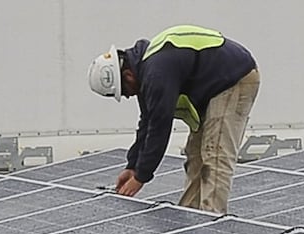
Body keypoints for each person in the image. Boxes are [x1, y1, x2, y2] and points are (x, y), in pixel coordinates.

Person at [87, 26, 259, 214]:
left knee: (215, 155)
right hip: (214, 89)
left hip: (235, 79)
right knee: (195, 156)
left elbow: (159, 128)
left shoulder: (156, 73)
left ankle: (212, 227)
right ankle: (189, 217)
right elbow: (147, 123)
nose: (128, 96)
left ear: (127, 76)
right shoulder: (146, 68)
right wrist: (133, 167)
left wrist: (141, 177)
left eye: (125, 92)